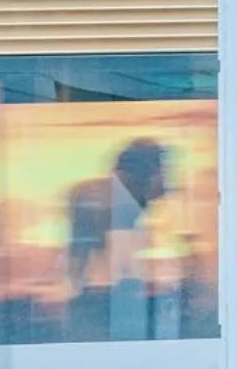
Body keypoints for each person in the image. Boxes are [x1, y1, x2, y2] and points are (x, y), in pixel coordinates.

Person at [66, 138, 170, 339]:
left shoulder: (112, 200)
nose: (164, 181)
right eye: (161, 172)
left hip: (94, 302)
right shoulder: (116, 206)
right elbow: (123, 274)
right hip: (101, 308)